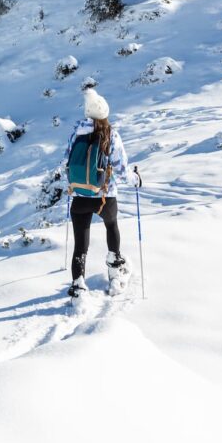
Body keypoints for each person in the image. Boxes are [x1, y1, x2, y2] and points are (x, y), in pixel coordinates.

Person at [63, 87, 129, 297]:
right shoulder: (111, 134)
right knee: (111, 226)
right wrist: (135, 179)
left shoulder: (76, 134)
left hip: (80, 196)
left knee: (80, 244)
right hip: (104, 196)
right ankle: (115, 272)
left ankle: (78, 283)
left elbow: (67, 160)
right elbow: (120, 167)